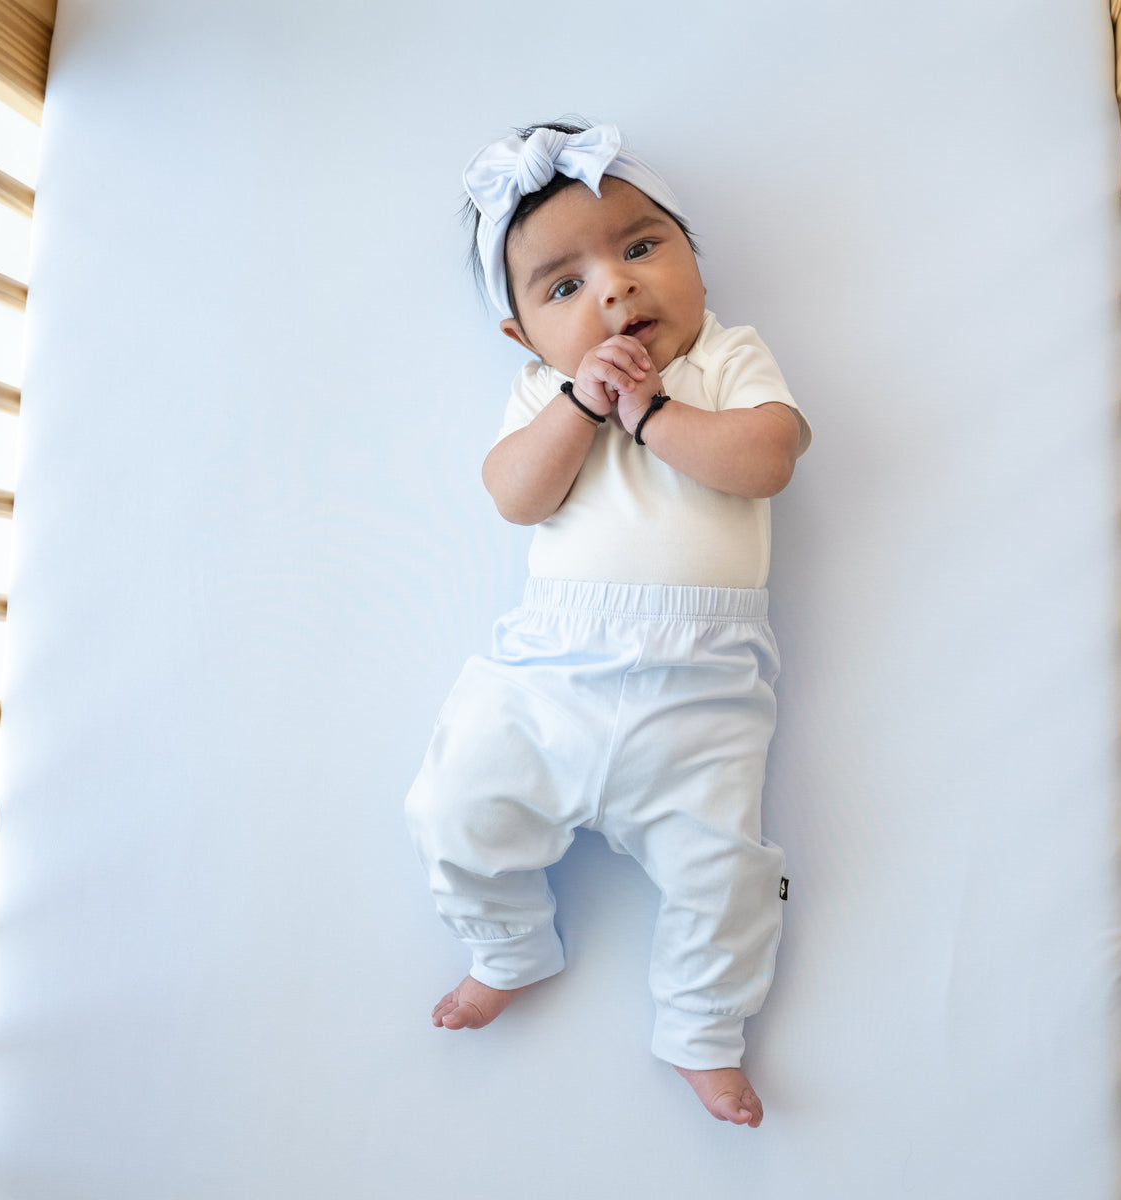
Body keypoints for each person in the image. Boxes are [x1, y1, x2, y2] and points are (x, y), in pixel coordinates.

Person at [405, 121, 811, 1127]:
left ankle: (705, 1028)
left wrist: (652, 417)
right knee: (453, 802)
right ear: (524, 338)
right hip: (553, 669)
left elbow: (769, 457)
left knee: (728, 876)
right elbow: (515, 497)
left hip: (704, 688)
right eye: (563, 286)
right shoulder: (541, 394)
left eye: (640, 248)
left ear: (693, 259)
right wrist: (581, 412)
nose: (616, 291)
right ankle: (506, 944)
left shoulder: (725, 359)